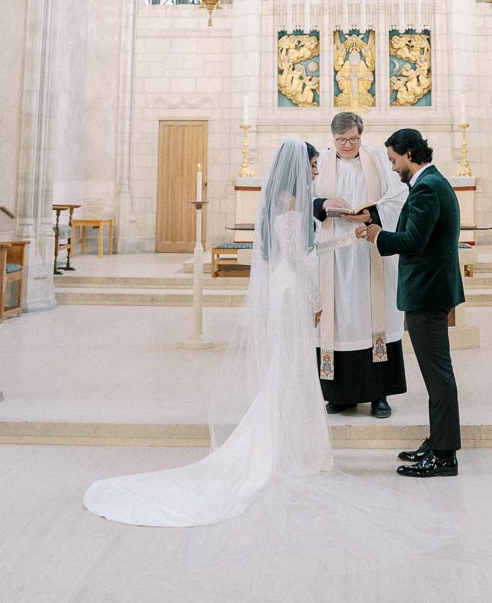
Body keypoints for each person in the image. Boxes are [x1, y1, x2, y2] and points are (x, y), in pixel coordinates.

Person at [83, 138, 332, 526]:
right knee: (293, 367)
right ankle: (286, 450)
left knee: (287, 368)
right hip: (294, 291)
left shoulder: (276, 205)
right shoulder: (293, 207)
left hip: (281, 287)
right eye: (313, 166)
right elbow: (300, 260)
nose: (316, 172)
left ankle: (285, 444)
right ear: (300, 169)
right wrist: (318, 301)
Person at [357, 128, 464, 478]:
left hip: (427, 291)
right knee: (436, 373)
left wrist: (377, 236)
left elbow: (414, 240)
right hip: (430, 288)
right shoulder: (431, 183)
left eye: (392, 160)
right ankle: (438, 441)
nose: (392, 168)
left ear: (408, 154)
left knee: (437, 375)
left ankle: (444, 455)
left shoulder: (427, 188)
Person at [313, 111, 408, 417]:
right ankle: (340, 395)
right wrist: (324, 206)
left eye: (354, 139)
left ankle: (379, 394)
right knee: (338, 320)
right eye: (342, 140)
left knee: (372, 318)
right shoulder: (321, 163)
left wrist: (371, 215)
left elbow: (399, 197)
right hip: (333, 257)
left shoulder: (378, 160)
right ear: (333, 138)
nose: (348, 145)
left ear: (361, 136)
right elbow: (303, 199)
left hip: (370, 253)